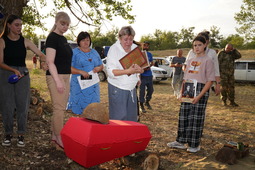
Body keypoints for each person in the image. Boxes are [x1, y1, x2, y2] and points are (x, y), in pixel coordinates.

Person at [0, 14, 47, 147]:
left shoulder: (25, 41)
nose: (19, 27)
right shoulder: (2, 41)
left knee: (22, 105)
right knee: (7, 105)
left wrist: (43, 62)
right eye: (16, 25)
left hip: (22, 75)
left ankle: (21, 135)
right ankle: (8, 134)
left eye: (20, 25)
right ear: (9, 25)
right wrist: (13, 70)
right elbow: (0, 62)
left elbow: (41, 54)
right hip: (5, 74)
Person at [167, 35, 215, 153]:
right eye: (194, 45)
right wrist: (181, 93)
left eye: (199, 45)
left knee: (196, 118)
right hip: (188, 88)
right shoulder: (189, 60)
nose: (197, 47)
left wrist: (199, 96)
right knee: (184, 116)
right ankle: (181, 141)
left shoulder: (208, 60)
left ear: (205, 45)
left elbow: (210, 81)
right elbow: (185, 78)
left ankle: (194, 144)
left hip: (201, 89)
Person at [45, 12, 72, 149]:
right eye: (63, 23)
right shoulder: (52, 38)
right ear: (56, 22)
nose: (65, 27)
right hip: (56, 77)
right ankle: (59, 136)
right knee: (59, 109)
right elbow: (50, 62)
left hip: (66, 76)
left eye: (67, 24)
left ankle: (54, 137)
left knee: (59, 108)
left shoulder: (63, 39)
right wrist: (58, 81)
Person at [106, 26, 143, 121]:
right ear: (120, 38)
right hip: (118, 88)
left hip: (131, 88)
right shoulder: (114, 49)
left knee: (131, 118)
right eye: (125, 39)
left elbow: (140, 67)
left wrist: (138, 75)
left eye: (131, 39)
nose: (128, 42)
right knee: (119, 118)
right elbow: (111, 72)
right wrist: (128, 71)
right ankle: (117, 136)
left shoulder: (135, 48)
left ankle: (129, 136)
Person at [67, 31, 103, 115]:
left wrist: (98, 68)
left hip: (92, 86)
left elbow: (101, 65)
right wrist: (80, 71)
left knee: (93, 109)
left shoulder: (94, 52)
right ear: (78, 41)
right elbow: (68, 68)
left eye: (87, 40)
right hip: (78, 85)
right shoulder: (74, 52)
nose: (86, 42)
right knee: (79, 110)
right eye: (83, 40)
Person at [186, 31, 221, 96]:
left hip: (204, 84)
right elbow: (185, 66)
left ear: (207, 42)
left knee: (199, 103)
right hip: (190, 83)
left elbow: (216, 70)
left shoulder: (212, 53)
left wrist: (218, 84)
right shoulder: (191, 52)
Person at [139, 41, 154, 113]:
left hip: (149, 75)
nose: (146, 47)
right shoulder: (139, 54)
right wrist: (142, 69)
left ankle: (147, 102)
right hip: (142, 75)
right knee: (142, 91)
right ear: (142, 46)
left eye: (147, 46)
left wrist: (150, 65)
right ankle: (141, 105)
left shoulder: (150, 54)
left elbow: (151, 62)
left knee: (151, 90)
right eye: (144, 45)